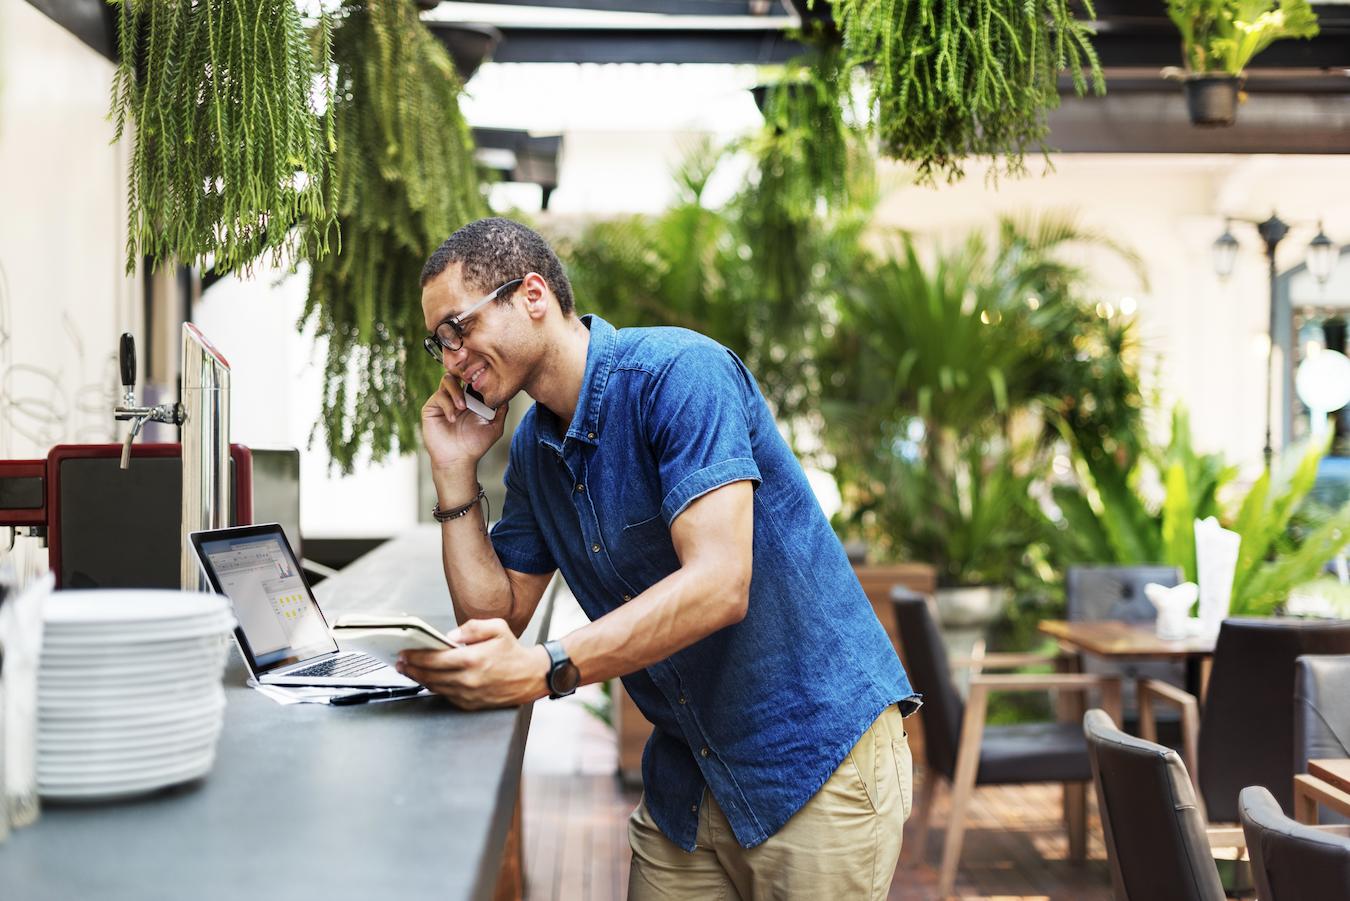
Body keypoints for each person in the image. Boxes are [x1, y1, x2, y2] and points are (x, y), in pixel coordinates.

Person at [399, 217, 919, 900]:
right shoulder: (533, 452)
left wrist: (547, 667)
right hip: (687, 778)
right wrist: (455, 472)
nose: (449, 359)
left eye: (457, 329)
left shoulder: (680, 375)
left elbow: (719, 583)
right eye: (438, 341)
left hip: (814, 759)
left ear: (531, 295)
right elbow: (495, 613)